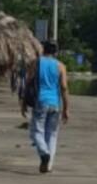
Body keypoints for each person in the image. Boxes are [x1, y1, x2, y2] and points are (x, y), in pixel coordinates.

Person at [21, 41, 70, 173]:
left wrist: (23, 103)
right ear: (56, 52)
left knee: (36, 131)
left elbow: (28, 83)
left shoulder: (36, 63)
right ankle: (48, 165)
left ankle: (44, 153)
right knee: (52, 134)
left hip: (40, 101)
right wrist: (66, 108)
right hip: (55, 103)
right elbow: (64, 87)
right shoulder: (61, 66)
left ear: (42, 50)